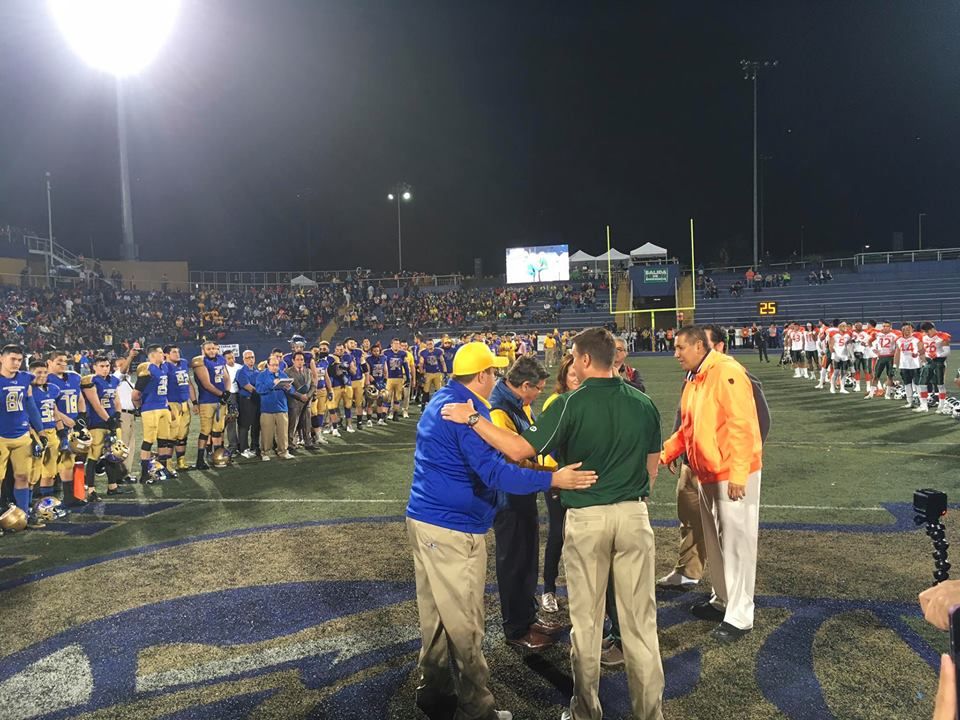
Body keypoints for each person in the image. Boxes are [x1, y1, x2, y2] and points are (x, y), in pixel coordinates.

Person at [442, 327, 665, 720]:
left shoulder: (568, 404)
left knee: (587, 624)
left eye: (574, 356)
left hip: (588, 518)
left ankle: (585, 712)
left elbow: (517, 449)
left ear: (584, 359)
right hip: (634, 516)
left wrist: (473, 417)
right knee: (641, 626)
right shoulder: (644, 403)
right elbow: (651, 470)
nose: (572, 363)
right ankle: (650, 714)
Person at [405, 341, 596, 720]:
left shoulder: (442, 400)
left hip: (427, 520)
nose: (495, 378)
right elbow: (495, 472)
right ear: (482, 375)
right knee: (465, 623)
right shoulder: (466, 411)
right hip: (452, 528)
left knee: (437, 616)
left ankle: (433, 690)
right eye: (492, 372)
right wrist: (552, 478)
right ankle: (477, 709)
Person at [660, 325, 763, 643]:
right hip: (707, 472)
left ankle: (740, 616)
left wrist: (738, 473)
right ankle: (722, 601)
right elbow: (689, 428)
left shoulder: (726, 371)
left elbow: (742, 424)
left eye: (680, 347)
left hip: (730, 473)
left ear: (698, 347)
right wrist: (665, 453)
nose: (675, 354)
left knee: (736, 544)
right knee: (718, 544)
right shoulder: (696, 376)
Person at [488, 355, 563, 650]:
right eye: (538, 388)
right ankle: (516, 628)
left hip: (523, 491)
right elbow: (512, 457)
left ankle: (528, 618)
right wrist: (551, 474)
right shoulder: (500, 409)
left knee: (527, 559)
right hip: (509, 497)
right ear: (525, 385)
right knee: (514, 562)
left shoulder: (517, 403)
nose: (540, 394)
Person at [539, 353, 580, 616]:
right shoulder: (555, 401)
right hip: (558, 478)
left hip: (581, 479)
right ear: (563, 376)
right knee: (557, 533)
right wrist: (558, 474)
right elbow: (547, 444)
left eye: (579, 374)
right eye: (572, 374)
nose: (576, 378)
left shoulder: (588, 399)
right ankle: (549, 589)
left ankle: (582, 589)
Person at [191, 341, 230, 470]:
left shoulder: (221, 359)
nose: (212, 351)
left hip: (220, 400)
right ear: (203, 350)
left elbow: (226, 377)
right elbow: (206, 384)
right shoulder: (200, 362)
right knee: (205, 431)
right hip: (207, 401)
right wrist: (222, 394)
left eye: (214, 348)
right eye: (209, 349)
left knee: (218, 430)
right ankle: (200, 459)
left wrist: (227, 392)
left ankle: (217, 457)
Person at [255, 354, 298, 460]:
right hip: (267, 409)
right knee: (267, 433)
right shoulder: (261, 376)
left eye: (277, 365)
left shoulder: (282, 374)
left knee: (283, 433)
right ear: (268, 365)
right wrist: (272, 384)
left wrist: (289, 388)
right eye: (273, 365)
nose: (275, 367)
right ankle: (265, 452)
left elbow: (292, 390)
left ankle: (283, 451)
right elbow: (259, 390)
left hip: (282, 408)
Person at [286, 351, 315, 448]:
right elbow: (288, 388)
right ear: (293, 361)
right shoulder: (287, 372)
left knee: (307, 422)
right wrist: (300, 396)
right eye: (297, 359)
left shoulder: (308, 371)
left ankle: (308, 442)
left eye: (301, 359)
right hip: (294, 401)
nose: (300, 361)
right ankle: (290, 444)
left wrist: (308, 396)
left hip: (307, 401)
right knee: (293, 423)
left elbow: (313, 385)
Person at [235, 350, 261, 458]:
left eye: (252, 357)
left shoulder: (256, 371)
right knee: (244, 425)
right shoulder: (241, 371)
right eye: (248, 358)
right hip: (246, 400)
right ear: (243, 359)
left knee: (256, 424)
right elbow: (247, 386)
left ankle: (254, 446)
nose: (251, 359)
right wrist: (262, 391)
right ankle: (243, 448)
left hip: (256, 400)